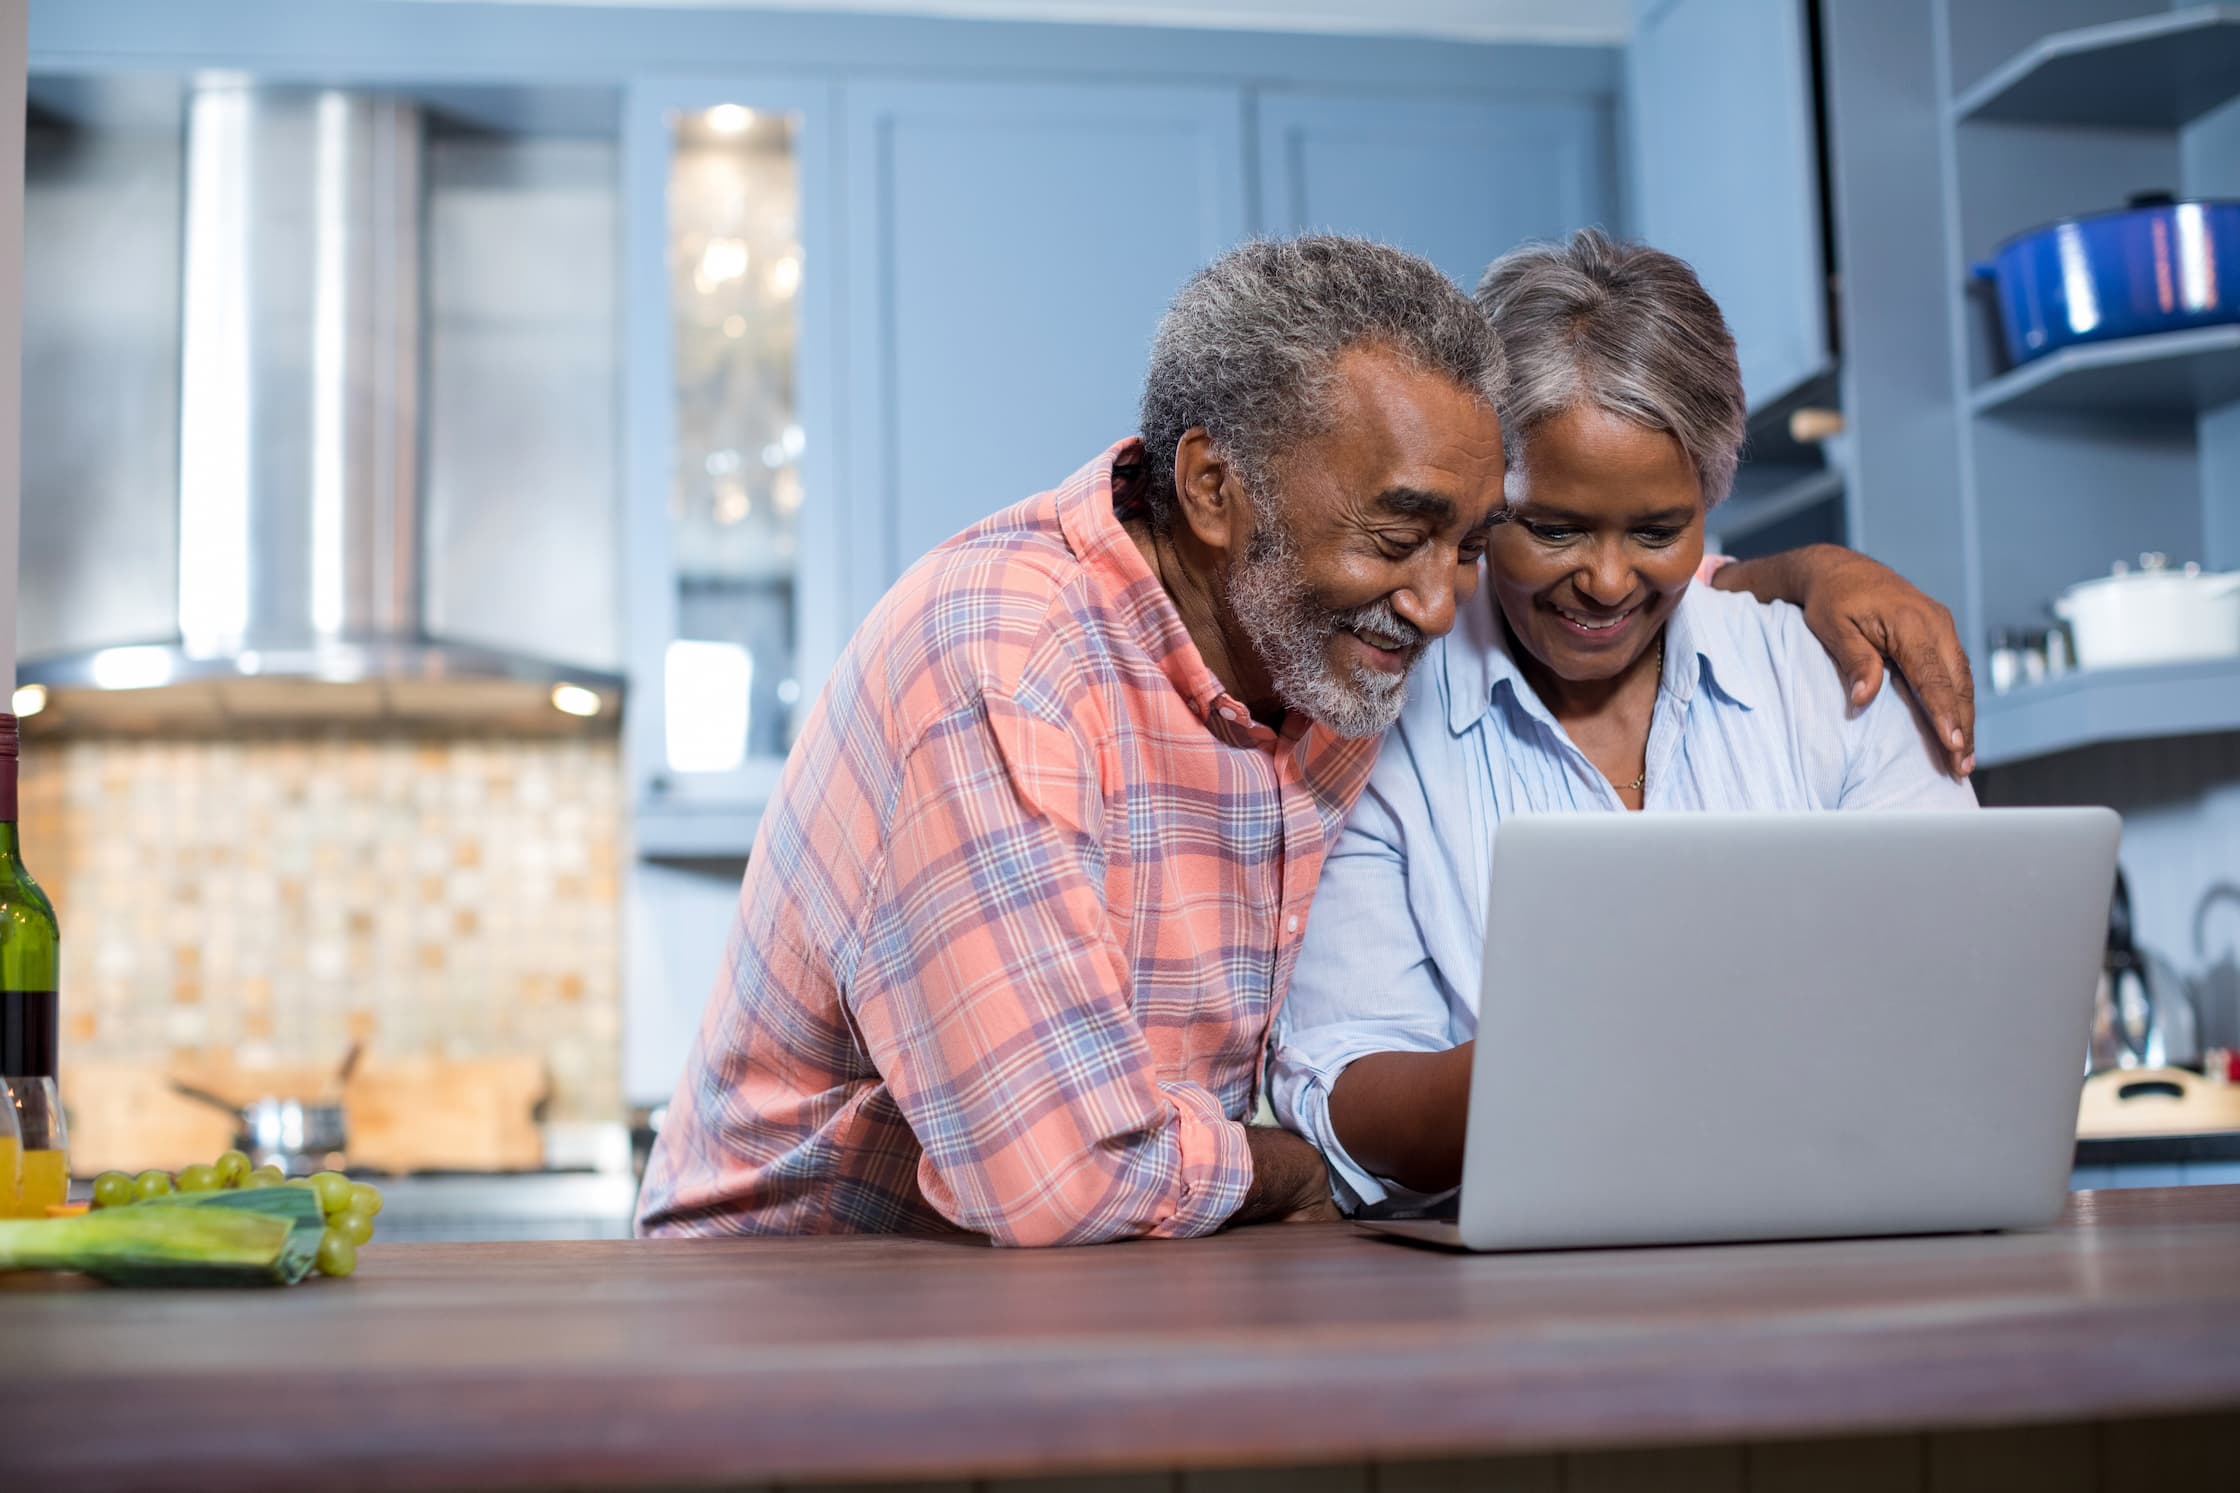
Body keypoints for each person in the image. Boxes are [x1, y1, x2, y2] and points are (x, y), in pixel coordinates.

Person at [638, 234, 1974, 1247]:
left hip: (1107, 1291)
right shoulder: (1003, 665)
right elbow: (1061, 1178)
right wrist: (1289, 1167)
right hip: (811, 1300)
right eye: (1407, 536)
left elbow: (1620, 563)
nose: (1448, 602)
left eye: (1469, 540)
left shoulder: (1317, 643)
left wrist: (1797, 573)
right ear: (1217, 488)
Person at [1269, 229, 1978, 1217]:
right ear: (1477, 497)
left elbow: (1977, 1009)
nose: (1605, 583)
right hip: (1510, 1284)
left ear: (1708, 504)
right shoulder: (1377, 720)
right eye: (1551, 527)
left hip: (1840, 1236)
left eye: (1655, 532)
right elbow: (1342, 1079)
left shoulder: (1835, 683)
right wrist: (1574, 1058)